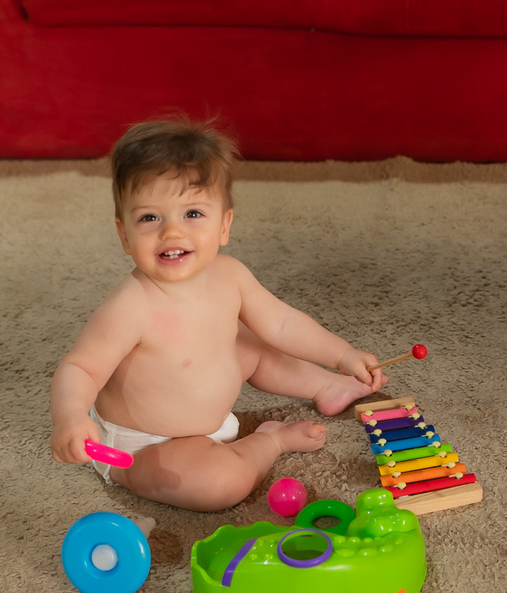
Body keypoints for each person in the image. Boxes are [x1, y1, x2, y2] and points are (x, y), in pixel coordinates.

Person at [50, 118, 387, 510]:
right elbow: (80, 369)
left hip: (209, 410)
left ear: (224, 225)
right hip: (148, 445)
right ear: (124, 234)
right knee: (218, 483)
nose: (172, 233)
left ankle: (324, 384)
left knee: (253, 346)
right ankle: (269, 440)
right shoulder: (130, 305)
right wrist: (71, 417)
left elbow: (282, 323)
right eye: (149, 218)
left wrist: (341, 354)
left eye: (192, 214)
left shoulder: (231, 275)